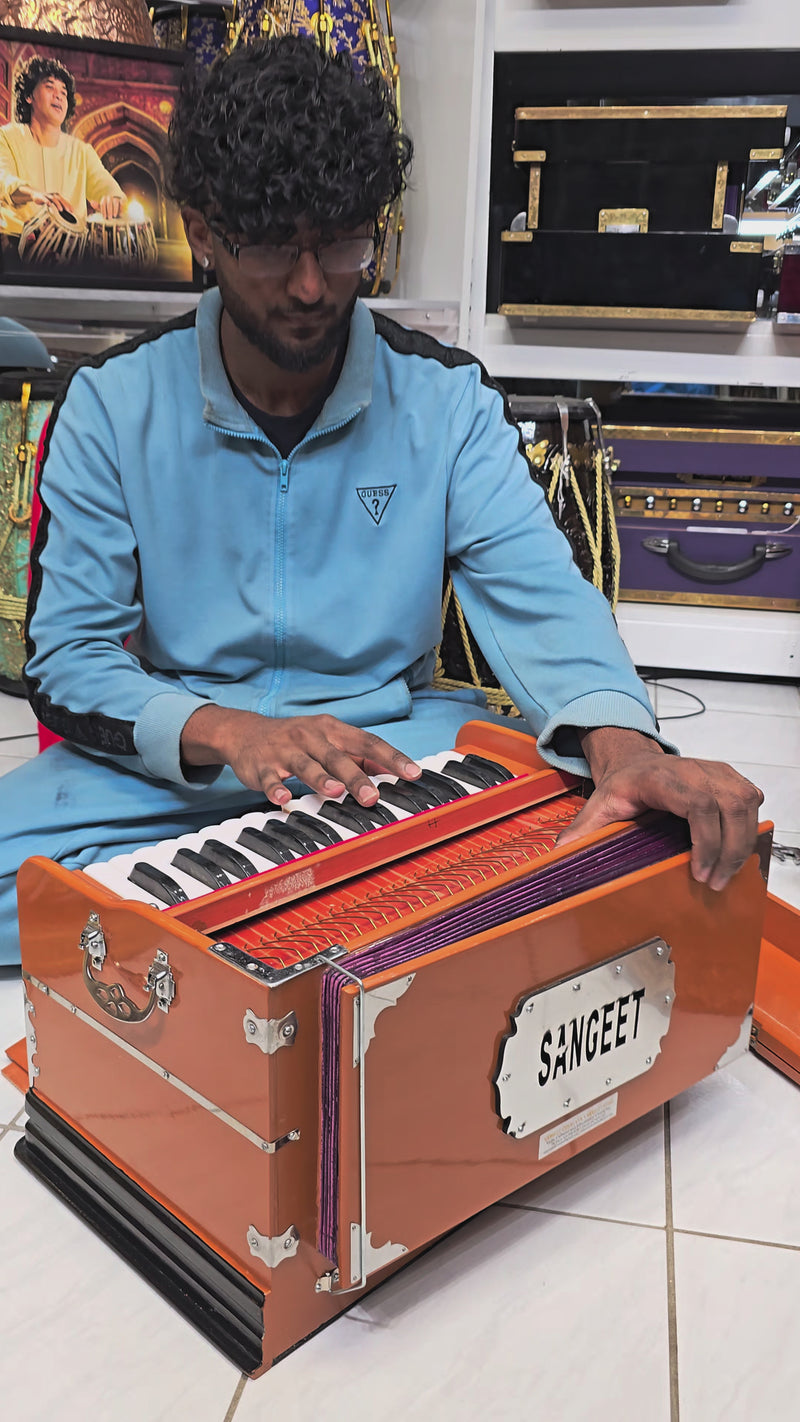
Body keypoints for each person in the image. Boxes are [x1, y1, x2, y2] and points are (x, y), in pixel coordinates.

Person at [0, 35, 762, 965]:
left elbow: (545, 601)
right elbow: (69, 659)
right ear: (202, 230)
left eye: (343, 243)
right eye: (272, 246)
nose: (312, 286)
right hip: (181, 766)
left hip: (391, 756)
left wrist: (628, 748)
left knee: (613, 835)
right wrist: (227, 732)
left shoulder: (447, 402)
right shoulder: (111, 405)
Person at [0, 55, 125, 243]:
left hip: (70, 250)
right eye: (49, 87)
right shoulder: (7, 136)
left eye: (64, 93)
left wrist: (113, 198)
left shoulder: (82, 151)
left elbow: (104, 183)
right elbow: (3, 178)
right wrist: (34, 194)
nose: (58, 95)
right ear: (29, 96)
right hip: (14, 245)